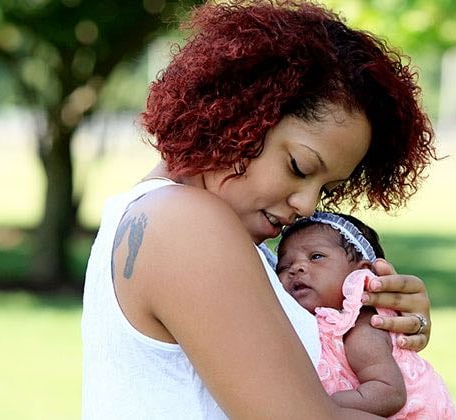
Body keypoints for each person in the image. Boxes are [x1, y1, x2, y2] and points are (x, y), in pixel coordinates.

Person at [81, 0, 437, 418]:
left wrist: (381, 335)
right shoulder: (183, 223)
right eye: (299, 167)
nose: (307, 205)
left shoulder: (174, 217)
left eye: (327, 189)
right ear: (240, 115)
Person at [277, 212, 456, 419]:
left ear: (358, 272)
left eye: (316, 256)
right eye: (283, 267)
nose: (296, 268)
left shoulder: (362, 326)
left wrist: (316, 404)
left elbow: (389, 393)